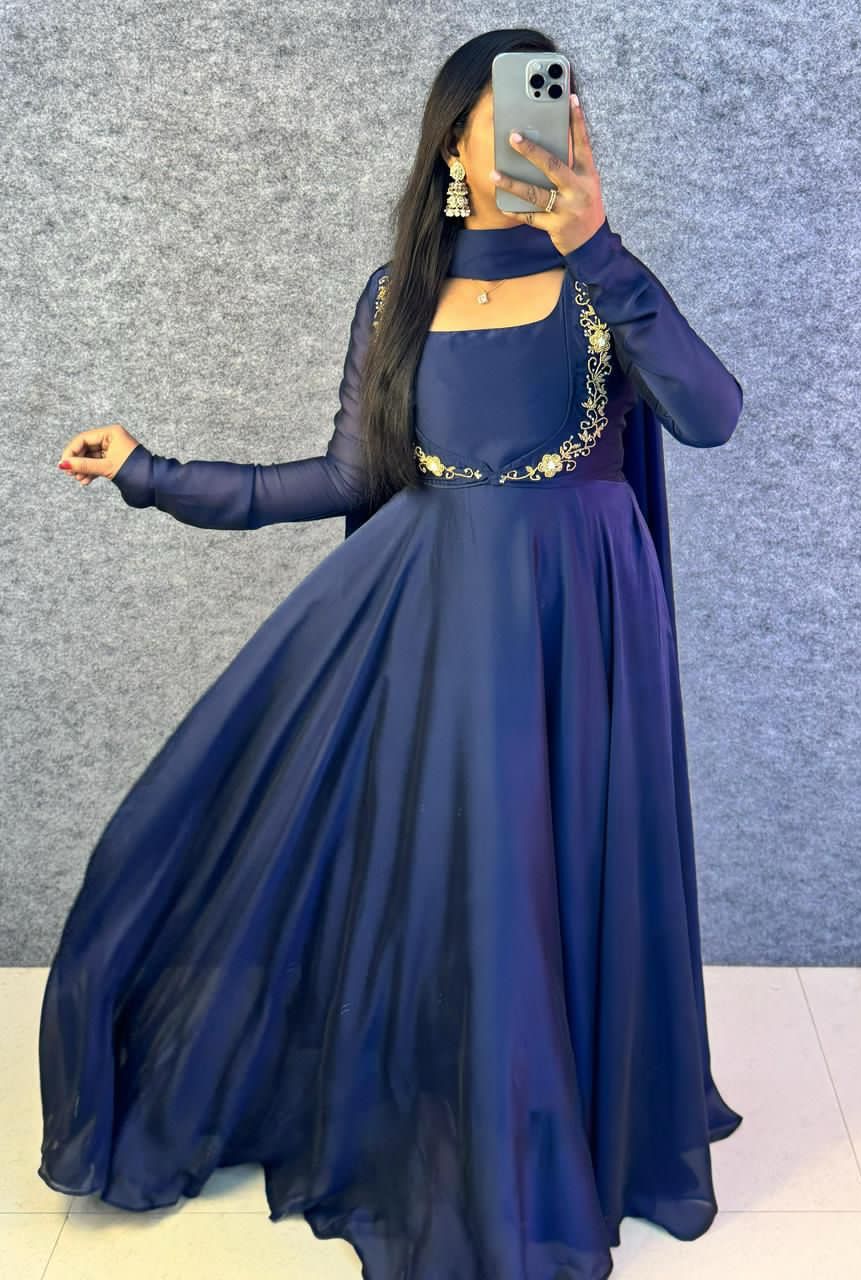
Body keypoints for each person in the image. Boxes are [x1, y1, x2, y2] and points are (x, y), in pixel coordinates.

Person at [40, 28, 745, 1280]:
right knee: (481, 877)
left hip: (582, 630)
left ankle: (563, 1128)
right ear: (453, 147)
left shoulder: (603, 285)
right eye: (511, 112)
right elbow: (342, 477)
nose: (545, 129)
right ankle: (479, 1131)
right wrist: (150, 470)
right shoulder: (396, 298)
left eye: (562, 107)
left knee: (562, 866)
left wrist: (596, 242)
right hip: (441, 634)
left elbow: (711, 413)